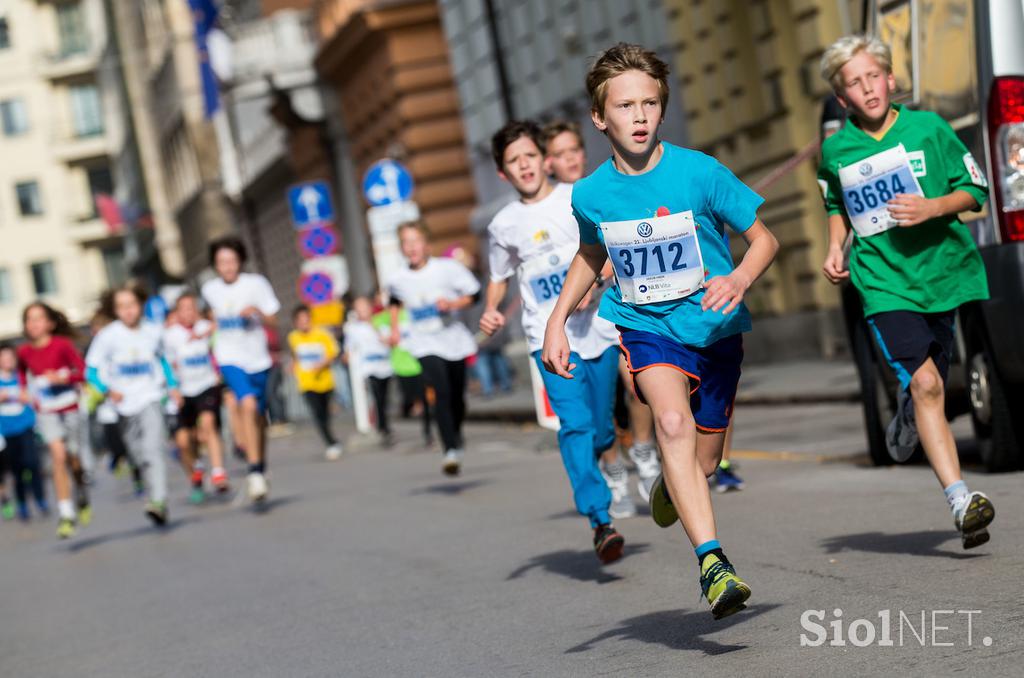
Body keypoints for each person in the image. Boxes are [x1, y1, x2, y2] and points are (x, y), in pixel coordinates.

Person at [542, 43, 779, 618]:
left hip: (716, 328)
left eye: (650, 103)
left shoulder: (699, 171)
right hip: (647, 324)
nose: (640, 116)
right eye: (625, 106)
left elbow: (764, 240)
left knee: (700, 461)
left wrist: (740, 279)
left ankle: (677, 486)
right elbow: (590, 251)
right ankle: (713, 563)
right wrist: (558, 320)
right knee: (669, 422)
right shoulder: (592, 193)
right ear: (601, 118)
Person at [817, 35, 995, 549]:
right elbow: (835, 202)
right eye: (854, 83)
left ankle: (907, 408)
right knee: (931, 386)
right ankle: (962, 502)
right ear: (843, 97)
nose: (867, 88)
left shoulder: (929, 129)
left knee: (927, 384)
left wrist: (933, 207)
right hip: (883, 279)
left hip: (940, 273)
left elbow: (977, 190)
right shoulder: (836, 150)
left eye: (873, 76)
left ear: (891, 80)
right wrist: (835, 247)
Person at [482, 120, 626, 563]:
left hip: (597, 332)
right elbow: (499, 276)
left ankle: (607, 455)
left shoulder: (576, 198)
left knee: (601, 428)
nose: (523, 165)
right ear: (504, 173)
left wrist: (595, 285)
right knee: (575, 424)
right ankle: (600, 519)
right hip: (549, 338)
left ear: (543, 160)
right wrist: (491, 309)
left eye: (528, 155)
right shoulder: (503, 225)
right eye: (513, 161)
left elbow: (610, 251)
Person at [541, 119, 662, 517]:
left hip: (616, 304)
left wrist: (598, 282)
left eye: (574, 150)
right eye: (559, 154)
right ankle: (613, 470)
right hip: (576, 322)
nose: (570, 159)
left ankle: (644, 452)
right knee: (598, 409)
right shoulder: (549, 208)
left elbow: (612, 245)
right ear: (549, 163)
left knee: (640, 380)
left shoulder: (600, 188)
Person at [388, 221, 480, 475]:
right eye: (406, 243)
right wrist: (395, 328)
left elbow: (475, 295)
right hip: (423, 342)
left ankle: (456, 432)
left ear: (426, 243)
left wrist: (451, 304)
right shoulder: (398, 278)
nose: (412, 247)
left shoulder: (448, 269)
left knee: (457, 397)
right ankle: (449, 450)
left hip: (453, 339)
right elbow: (394, 300)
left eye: (415, 241)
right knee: (439, 392)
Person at [86, 285, 175, 525]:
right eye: (122, 307)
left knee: (153, 449)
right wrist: (107, 390)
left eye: (132, 305)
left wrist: (173, 385)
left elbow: (164, 361)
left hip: (150, 396)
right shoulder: (108, 336)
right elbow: (91, 371)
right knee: (137, 453)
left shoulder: (153, 331)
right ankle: (150, 489)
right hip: (124, 404)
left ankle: (158, 500)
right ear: (115, 310)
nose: (128, 311)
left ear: (141, 305)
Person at [201, 237, 281, 502]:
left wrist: (257, 311)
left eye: (232, 261)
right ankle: (254, 472)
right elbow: (209, 318)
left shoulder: (256, 284)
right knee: (246, 404)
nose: (227, 267)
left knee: (259, 417)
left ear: (240, 261)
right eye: (222, 262)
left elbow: (274, 318)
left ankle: (259, 465)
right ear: (215, 265)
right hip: (229, 357)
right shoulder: (210, 289)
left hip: (258, 359)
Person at [18, 302, 92, 539]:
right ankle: (66, 513)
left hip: (69, 407)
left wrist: (63, 378)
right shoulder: (25, 353)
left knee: (73, 459)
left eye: (39, 318)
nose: (34, 324)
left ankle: (80, 491)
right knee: (58, 456)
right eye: (30, 319)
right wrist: (23, 390)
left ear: (50, 323)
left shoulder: (62, 345)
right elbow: (22, 375)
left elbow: (82, 372)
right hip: (47, 411)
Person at [164, 292, 229, 501]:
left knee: (209, 423)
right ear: (177, 312)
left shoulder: (206, 327)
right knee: (184, 441)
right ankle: (196, 475)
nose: (188, 313)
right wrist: (173, 387)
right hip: (183, 391)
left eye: (192, 308)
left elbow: (223, 339)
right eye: (183, 309)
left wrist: (213, 329)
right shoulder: (170, 335)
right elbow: (165, 364)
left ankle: (218, 472)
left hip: (206, 384)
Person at [288, 304, 343, 460]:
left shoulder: (322, 334)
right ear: (295, 322)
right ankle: (331, 443)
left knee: (325, 413)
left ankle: (331, 439)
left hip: (325, 381)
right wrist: (292, 365)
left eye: (306, 320)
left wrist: (322, 364)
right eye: (300, 320)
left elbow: (333, 352)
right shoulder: (293, 337)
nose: (304, 323)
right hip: (306, 382)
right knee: (317, 414)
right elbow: (295, 355)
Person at [373, 303, 432, 446]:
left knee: (424, 400)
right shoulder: (382, 319)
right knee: (408, 399)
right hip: (400, 366)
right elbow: (375, 326)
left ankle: (428, 433)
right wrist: (385, 337)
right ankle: (408, 408)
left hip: (417, 362)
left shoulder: (410, 313)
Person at [0, 344, 47, 521]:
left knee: (33, 463)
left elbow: (36, 397)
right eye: (3, 358)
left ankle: (40, 498)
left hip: (26, 425)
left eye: (10, 357)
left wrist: (25, 396)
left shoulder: (23, 377)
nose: (7, 361)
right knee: (16, 470)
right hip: (6, 430)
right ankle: (21, 504)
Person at [344, 297, 395, 446]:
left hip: (384, 365)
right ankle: (383, 427)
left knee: (384, 398)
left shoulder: (380, 322)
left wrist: (374, 326)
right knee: (377, 396)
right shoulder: (353, 328)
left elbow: (388, 341)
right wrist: (347, 355)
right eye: (358, 308)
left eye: (364, 307)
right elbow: (349, 346)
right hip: (369, 367)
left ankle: (383, 423)